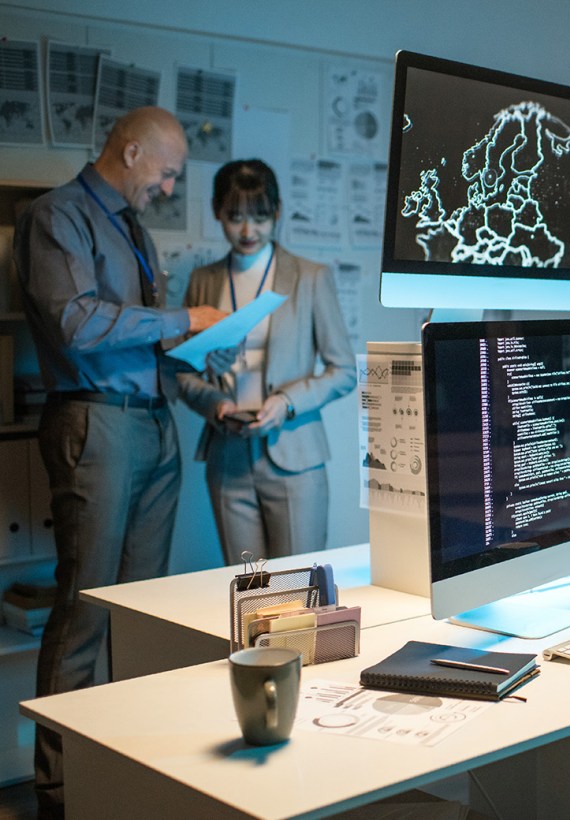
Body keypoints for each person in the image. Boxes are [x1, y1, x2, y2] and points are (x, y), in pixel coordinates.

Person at [12, 105, 229, 817]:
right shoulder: (57, 216)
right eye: (166, 173)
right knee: (86, 608)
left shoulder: (132, 227)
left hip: (154, 422)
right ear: (131, 152)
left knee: (140, 612)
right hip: (95, 422)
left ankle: (124, 776)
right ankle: (60, 791)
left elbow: (138, 337)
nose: (167, 188)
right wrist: (182, 321)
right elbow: (73, 322)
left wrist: (199, 348)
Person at [177, 159, 356, 565]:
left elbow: (344, 371)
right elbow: (184, 372)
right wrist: (214, 404)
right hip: (228, 453)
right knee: (248, 588)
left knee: (297, 587)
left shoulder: (310, 277)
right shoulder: (203, 280)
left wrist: (287, 402)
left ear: (277, 212)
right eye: (234, 217)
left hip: (294, 455)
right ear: (217, 212)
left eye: (259, 218)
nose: (247, 231)